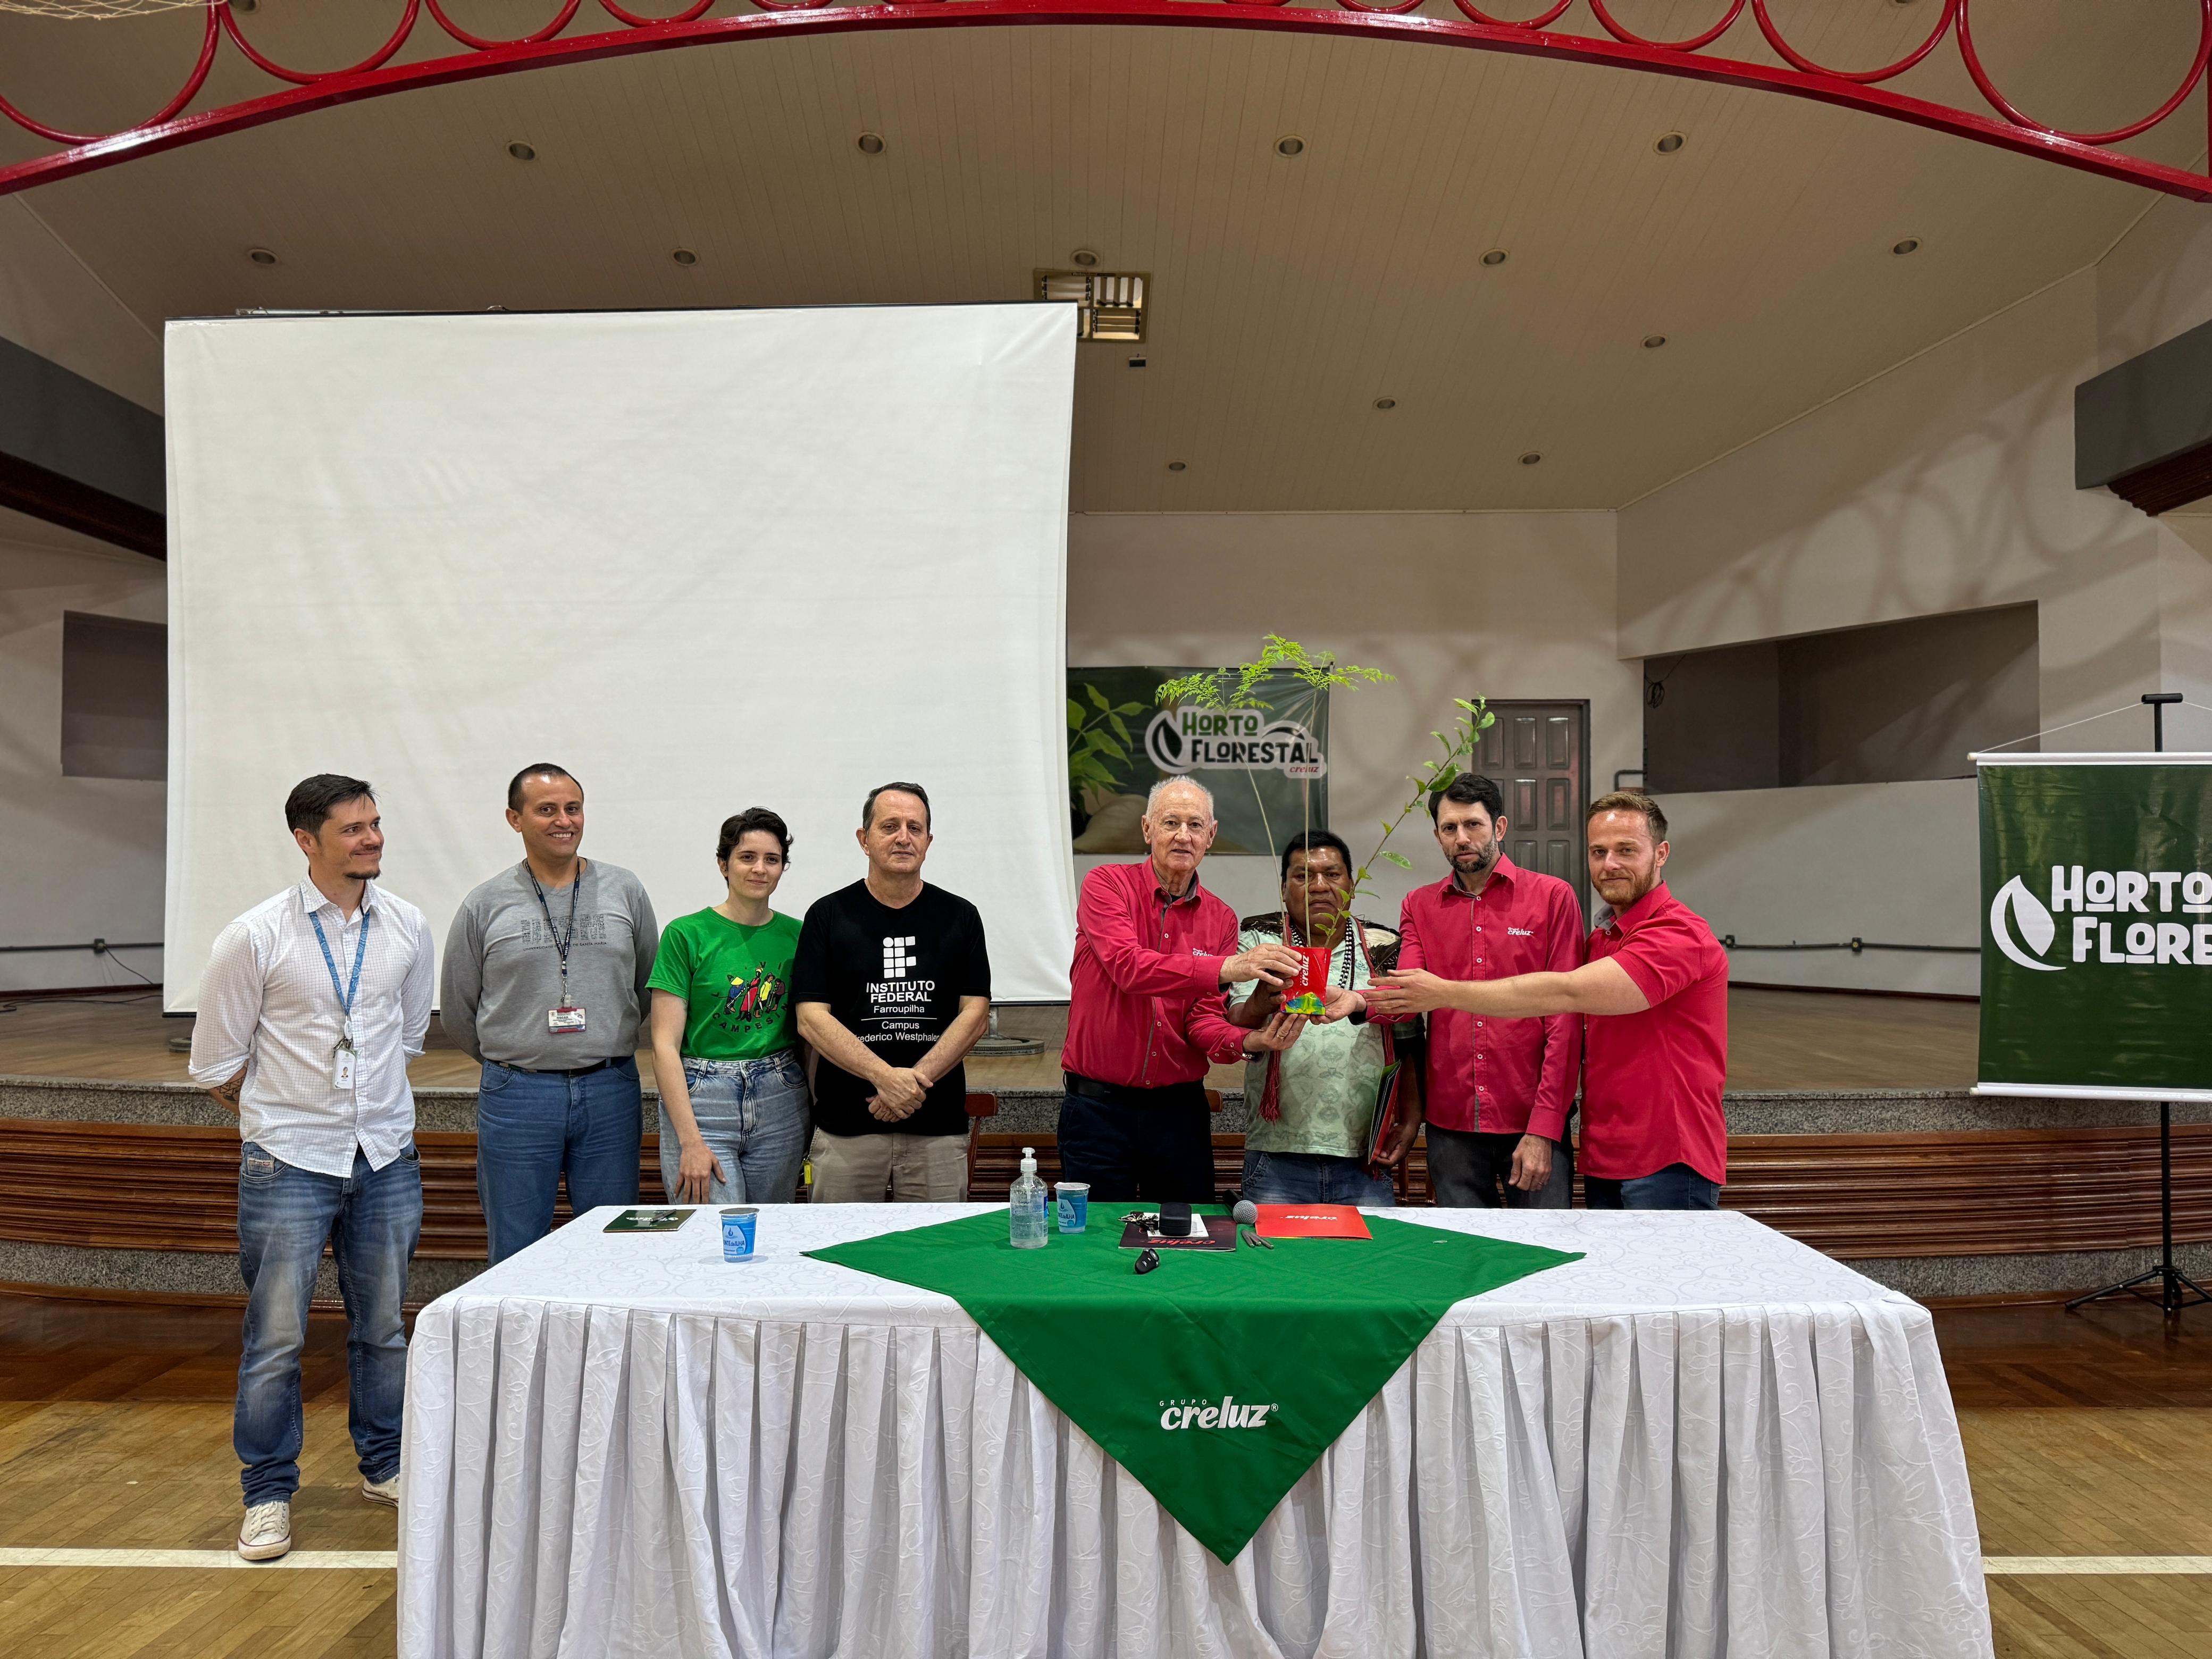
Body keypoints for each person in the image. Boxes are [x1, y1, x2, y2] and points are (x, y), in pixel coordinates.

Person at [188, 774, 435, 1563]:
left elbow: (407, 1036)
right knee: (276, 1338)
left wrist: (361, 1109)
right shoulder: (255, 936)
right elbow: (215, 1063)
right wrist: (282, 1118)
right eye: (354, 829)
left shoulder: (408, 925)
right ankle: (267, 1494)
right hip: (289, 1160)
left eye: (375, 824)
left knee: (385, 1329)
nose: (372, 839)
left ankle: (386, 1466)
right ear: (307, 840)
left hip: (386, 1155)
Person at [1369, 789, 1728, 1209]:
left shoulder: (1679, 934)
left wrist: (1444, 991)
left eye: (1626, 850)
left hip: (1669, 1156)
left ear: (1661, 853)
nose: (1610, 864)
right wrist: (1352, 1002)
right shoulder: (1604, 939)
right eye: (1598, 852)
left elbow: (1565, 994)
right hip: (1605, 1152)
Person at [441, 764, 659, 1263]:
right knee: (516, 1248)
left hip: (609, 1087)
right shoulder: (484, 904)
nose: (564, 821)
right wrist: (517, 1056)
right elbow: (457, 1008)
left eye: (573, 808)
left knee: (613, 1244)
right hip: (519, 1093)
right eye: (547, 810)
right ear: (514, 819)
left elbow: (645, 984)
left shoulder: (625, 890)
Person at [1059, 776, 1312, 1202]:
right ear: (1147, 829)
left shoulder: (1221, 918)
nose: (1183, 835)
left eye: (1195, 825)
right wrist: (1229, 967)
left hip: (1178, 1116)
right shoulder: (1106, 885)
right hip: (1097, 1112)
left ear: (1211, 835)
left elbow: (1202, 1018)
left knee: (1186, 1233)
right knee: (1095, 1237)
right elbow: (1129, 968)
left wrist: (1251, 1040)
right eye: (1170, 823)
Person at [1357, 774, 1583, 1208]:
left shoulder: (1552, 898)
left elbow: (1566, 1021)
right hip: (1452, 1125)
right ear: (1438, 836)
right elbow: (1407, 997)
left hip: (1530, 1121)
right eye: (1449, 828)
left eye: (1473, 825)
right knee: (1462, 1249)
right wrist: (1352, 1001)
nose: (1461, 838)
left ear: (1499, 827)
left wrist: (1545, 1127)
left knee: (1541, 1245)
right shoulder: (1419, 905)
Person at [793, 782, 992, 1201]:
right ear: (864, 839)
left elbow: (975, 1015)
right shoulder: (827, 916)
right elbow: (811, 1019)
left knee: (937, 1245)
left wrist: (909, 1086)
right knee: (838, 1242)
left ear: (928, 842)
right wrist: (885, 1078)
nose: (904, 837)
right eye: (890, 827)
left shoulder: (961, 917)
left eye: (914, 828)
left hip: (936, 1129)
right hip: (846, 1129)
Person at [1228, 830, 1421, 1206]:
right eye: (1303, 876)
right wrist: (1260, 1003)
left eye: (1332, 875)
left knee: (1368, 1248)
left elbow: (1409, 1039)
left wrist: (1411, 1120)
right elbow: (1236, 1022)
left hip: (1365, 1155)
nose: (1319, 886)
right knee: (1271, 1249)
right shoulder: (1261, 940)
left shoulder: (1383, 946)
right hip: (1277, 1153)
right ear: (1284, 889)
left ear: (1351, 885)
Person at [646, 808, 809, 1205]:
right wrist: (690, 1141)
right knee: (710, 1229)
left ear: (783, 868)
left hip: (780, 1095)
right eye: (747, 857)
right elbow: (664, 1045)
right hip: (703, 1099)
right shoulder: (686, 934)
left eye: (772, 859)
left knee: (772, 1228)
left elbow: (809, 1031)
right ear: (724, 864)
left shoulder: (799, 935)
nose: (760, 869)